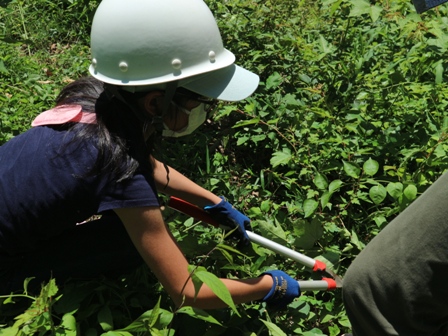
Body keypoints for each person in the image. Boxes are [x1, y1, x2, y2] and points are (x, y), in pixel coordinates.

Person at [0, 0, 301, 310]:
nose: (206, 114)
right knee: (128, 243)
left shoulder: (95, 104)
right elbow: (188, 292)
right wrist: (267, 285)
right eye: (201, 104)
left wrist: (213, 202)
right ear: (155, 104)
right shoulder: (118, 169)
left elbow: (145, 165)